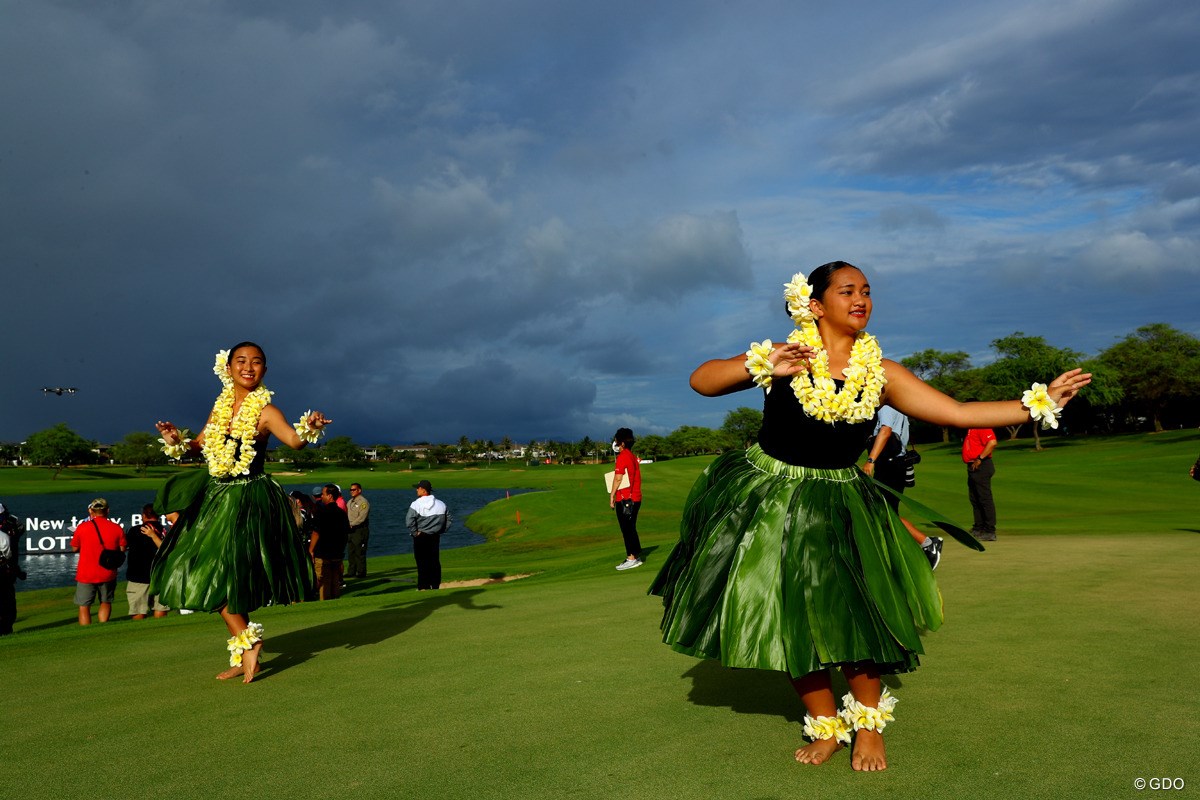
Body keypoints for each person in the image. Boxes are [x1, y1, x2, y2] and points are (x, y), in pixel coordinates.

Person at [650, 261, 1090, 771]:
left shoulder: (883, 375)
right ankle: (825, 725)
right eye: (847, 291)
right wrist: (763, 364)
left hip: (842, 501)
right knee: (789, 617)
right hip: (770, 501)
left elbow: (959, 412)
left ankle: (868, 725)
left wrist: (1036, 404)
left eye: (866, 291)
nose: (861, 299)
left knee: (858, 613)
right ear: (814, 305)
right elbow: (701, 381)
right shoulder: (784, 356)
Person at [152, 342, 329, 682]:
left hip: (247, 500)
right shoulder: (220, 407)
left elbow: (294, 441)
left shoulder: (267, 411)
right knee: (205, 570)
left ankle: (249, 647)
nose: (249, 367)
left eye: (257, 362)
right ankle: (246, 647)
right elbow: (201, 443)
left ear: (264, 370)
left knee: (220, 572)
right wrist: (176, 440)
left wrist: (311, 426)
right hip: (216, 496)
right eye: (242, 361)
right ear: (228, 367)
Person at [863, 407, 942, 569]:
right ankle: (899, 553)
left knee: (885, 513)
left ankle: (928, 543)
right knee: (885, 511)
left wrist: (870, 461)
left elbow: (885, 431)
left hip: (890, 464)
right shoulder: (893, 407)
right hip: (892, 463)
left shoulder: (886, 407)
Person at [70, 498, 127, 626]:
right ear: (107, 510)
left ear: (92, 511)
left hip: (86, 573)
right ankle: (103, 627)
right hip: (108, 572)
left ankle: (86, 632)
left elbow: (74, 548)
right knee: (105, 602)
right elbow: (122, 548)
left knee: (84, 606)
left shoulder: (82, 527)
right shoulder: (116, 528)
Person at [126, 504, 169, 619]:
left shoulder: (134, 530)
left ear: (144, 515)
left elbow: (125, 546)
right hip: (160, 575)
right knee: (160, 609)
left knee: (138, 610)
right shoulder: (165, 530)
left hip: (138, 576)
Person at [609, 428, 644, 571]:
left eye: (617, 440)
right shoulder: (631, 456)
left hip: (625, 499)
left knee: (627, 529)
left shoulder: (623, 456)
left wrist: (612, 495)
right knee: (630, 528)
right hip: (635, 497)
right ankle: (635, 555)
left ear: (622, 443)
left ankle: (631, 558)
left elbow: (618, 478)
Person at [407, 479, 450, 590]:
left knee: (422, 562)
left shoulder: (416, 504)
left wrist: (415, 533)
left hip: (421, 537)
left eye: (418, 488)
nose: (416, 490)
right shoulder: (441, 504)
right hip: (435, 536)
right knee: (434, 561)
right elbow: (449, 519)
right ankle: (435, 585)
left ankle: (423, 586)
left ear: (423, 490)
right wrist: (441, 530)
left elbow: (409, 520)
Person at [309, 484, 349, 600]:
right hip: (337, 551)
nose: (321, 496)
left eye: (323, 494)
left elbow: (316, 532)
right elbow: (345, 532)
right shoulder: (341, 513)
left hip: (323, 552)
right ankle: (334, 600)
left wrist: (311, 549)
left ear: (330, 496)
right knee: (335, 579)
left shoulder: (322, 512)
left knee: (323, 580)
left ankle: (325, 601)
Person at [962, 428, 998, 542]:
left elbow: (992, 442)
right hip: (973, 465)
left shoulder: (982, 426)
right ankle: (979, 527)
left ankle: (990, 530)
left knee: (984, 498)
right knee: (975, 499)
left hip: (981, 465)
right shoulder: (971, 428)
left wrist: (979, 458)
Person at [0, 500, 27, 635]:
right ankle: (5, 629)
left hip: (8, 571)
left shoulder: (12, 526)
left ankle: (6, 629)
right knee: (7, 604)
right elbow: (9, 556)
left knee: (8, 605)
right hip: (5, 571)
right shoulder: (5, 534)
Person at [346, 482, 371, 579]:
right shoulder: (350, 502)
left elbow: (362, 517)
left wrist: (352, 524)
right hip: (350, 530)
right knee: (351, 551)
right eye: (350, 490)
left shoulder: (363, 502)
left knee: (359, 552)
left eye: (354, 489)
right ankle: (351, 571)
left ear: (359, 490)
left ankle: (361, 572)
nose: (351, 491)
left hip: (360, 530)